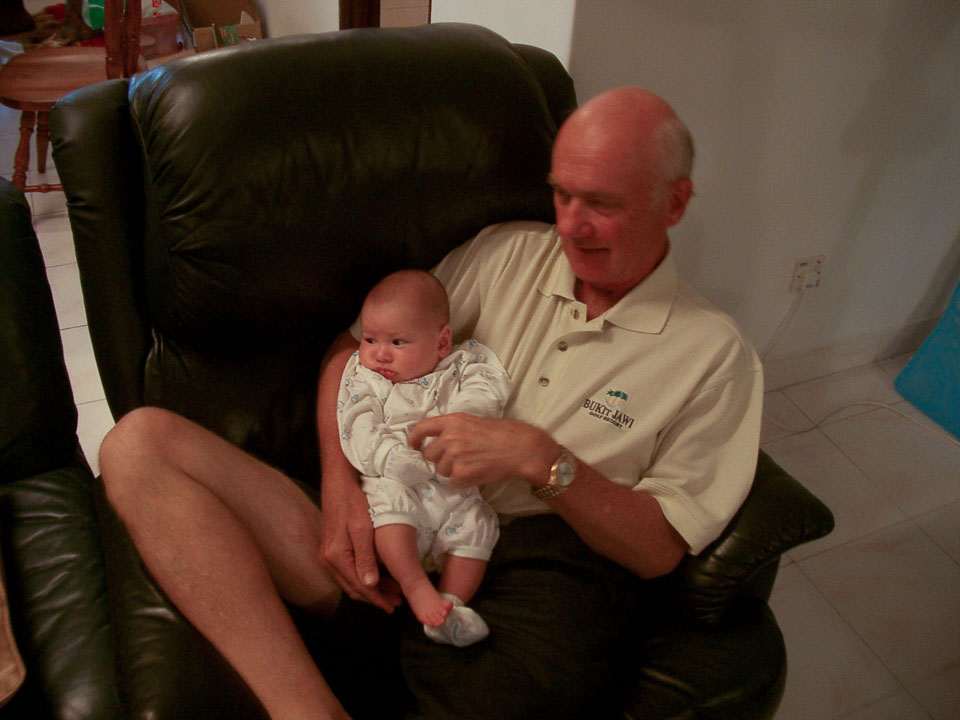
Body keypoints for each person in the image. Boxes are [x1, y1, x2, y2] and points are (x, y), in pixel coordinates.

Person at [99, 87, 763, 720]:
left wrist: (543, 460)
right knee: (138, 443)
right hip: (392, 518)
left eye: (603, 204)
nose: (570, 225)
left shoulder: (713, 354)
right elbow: (352, 348)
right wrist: (341, 486)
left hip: (535, 573)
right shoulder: (507, 253)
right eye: (562, 194)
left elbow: (658, 550)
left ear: (674, 202)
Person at [338, 269, 509, 646]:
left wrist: (462, 419)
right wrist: (389, 456)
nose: (380, 353)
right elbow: (355, 422)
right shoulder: (366, 378)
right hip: (397, 481)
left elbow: (488, 391)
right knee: (387, 503)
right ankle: (416, 586)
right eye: (370, 339)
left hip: (452, 488)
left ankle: (451, 607)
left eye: (398, 341)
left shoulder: (465, 364)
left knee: (476, 523)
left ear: (442, 341)